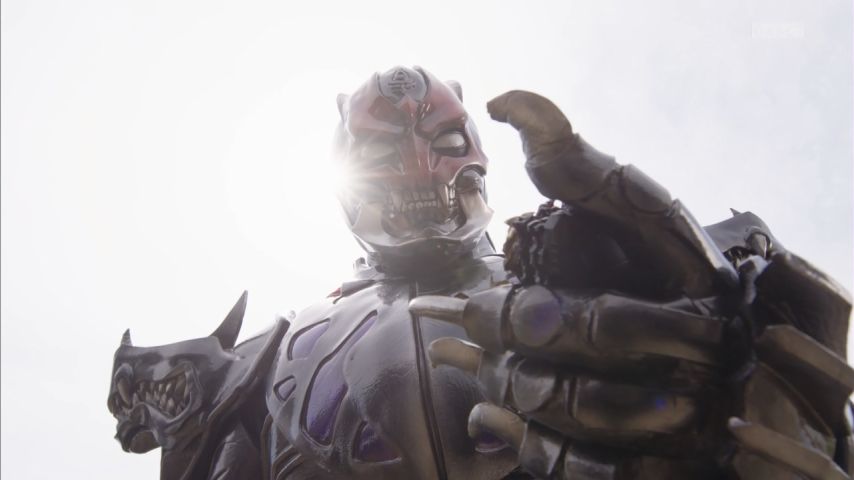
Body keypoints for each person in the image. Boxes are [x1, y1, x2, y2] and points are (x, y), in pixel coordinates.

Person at [108, 66, 854, 479]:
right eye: (380, 153)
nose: (416, 165)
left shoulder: (600, 273)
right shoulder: (263, 366)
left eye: (442, 141)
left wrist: (768, 415)